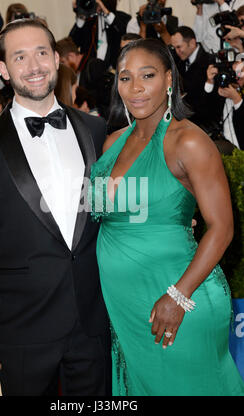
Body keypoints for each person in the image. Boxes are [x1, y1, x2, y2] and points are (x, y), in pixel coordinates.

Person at [0, 18, 111, 396]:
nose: (35, 66)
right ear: (4, 70)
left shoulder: (96, 130)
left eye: (42, 52)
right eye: (20, 57)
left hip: (93, 321)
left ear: (57, 59)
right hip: (21, 327)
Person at [89, 37, 244, 395]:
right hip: (126, 307)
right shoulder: (112, 143)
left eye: (148, 75)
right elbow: (96, 213)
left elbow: (222, 228)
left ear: (169, 80)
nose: (136, 88)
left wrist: (178, 297)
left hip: (179, 298)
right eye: (125, 78)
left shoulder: (188, 142)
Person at [171, 26, 215, 128]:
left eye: (179, 47)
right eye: (174, 48)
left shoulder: (210, 62)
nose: (177, 51)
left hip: (204, 123)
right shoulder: (177, 60)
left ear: (191, 43)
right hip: (182, 119)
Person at [69, 0, 131, 71]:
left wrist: (106, 13)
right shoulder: (88, 20)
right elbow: (71, 44)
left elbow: (123, 33)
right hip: (90, 72)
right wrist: (81, 14)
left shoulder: (122, 18)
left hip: (113, 71)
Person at [204, 59, 244, 149]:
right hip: (223, 143)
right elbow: (204, 112)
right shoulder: (224, 89)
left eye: (241, 71)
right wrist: (210, 82)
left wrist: (237, 99)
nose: (237, 77)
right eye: (233, 72)